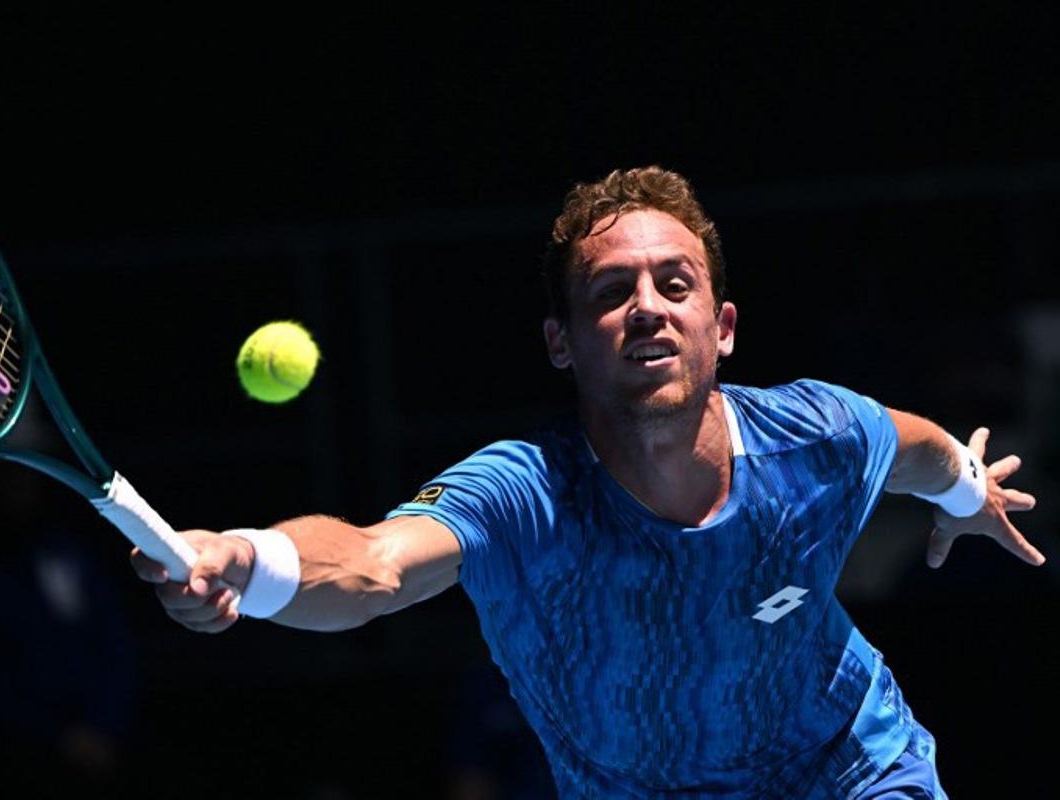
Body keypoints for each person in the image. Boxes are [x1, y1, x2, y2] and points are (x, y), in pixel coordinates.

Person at [131, 167, 1045, 798]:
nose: (647, 306)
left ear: (722, 327)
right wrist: (246, 559)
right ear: (561, 343)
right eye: (611, 291)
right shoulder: (523, 495)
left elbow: (919, 450)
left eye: (675, 285)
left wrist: (970, 493)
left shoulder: (817, 435)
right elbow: (373, 566)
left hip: (847, 769)